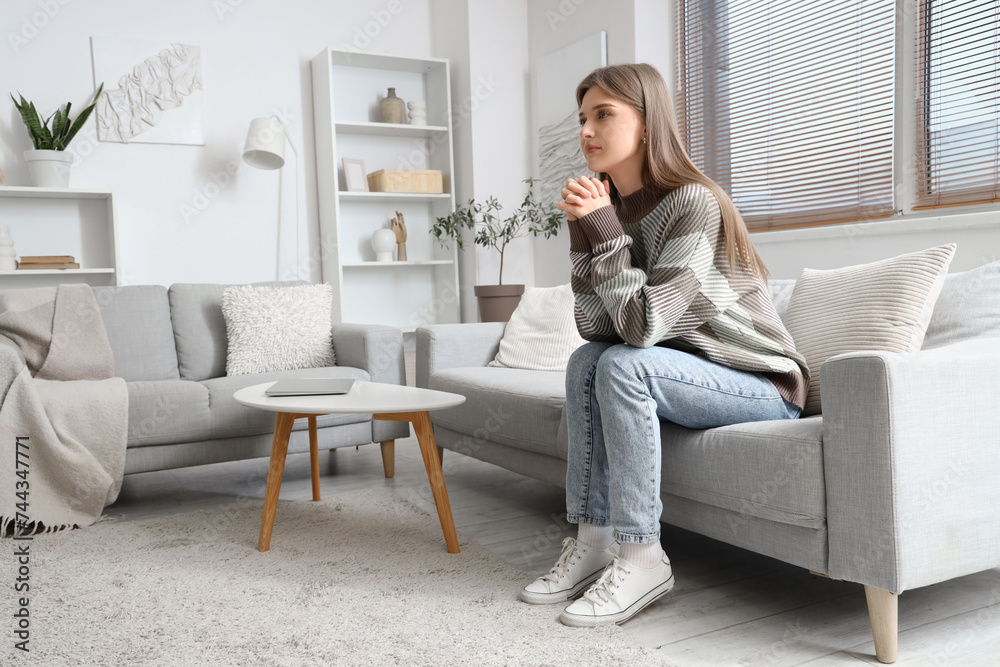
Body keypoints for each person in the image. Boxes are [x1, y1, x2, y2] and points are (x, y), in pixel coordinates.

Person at [519, 63, 810, 627]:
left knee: (627, 366)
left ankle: (642, 554)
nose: (586, 131)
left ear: (648, 123)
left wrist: (602, 230)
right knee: (586, 363)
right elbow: (594, 327)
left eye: (604, 114)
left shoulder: (694, 203)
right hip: (685, 370)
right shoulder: (612, 209)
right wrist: (591, 232)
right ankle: (593, 540)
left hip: (761, 383)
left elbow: (642, 329)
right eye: (582, 118)